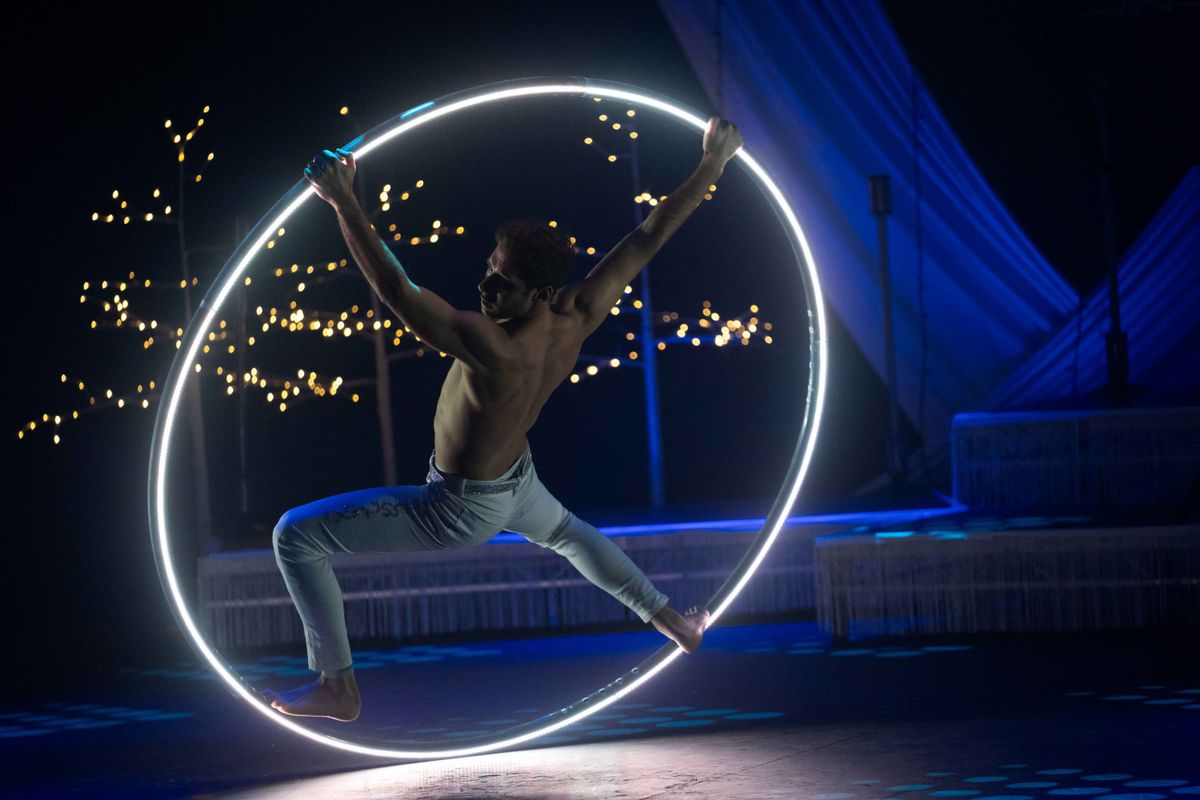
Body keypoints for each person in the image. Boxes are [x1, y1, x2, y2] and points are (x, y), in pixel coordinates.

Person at [263, 115, 745, 722]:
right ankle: (676, 623)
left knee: (295, 535)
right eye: (490, 267)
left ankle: (337, 685)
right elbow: (648, 236)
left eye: (504, 282)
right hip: (517, 480)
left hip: (459, 505)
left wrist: (343, 202)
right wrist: (711, 164)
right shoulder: (577, 314)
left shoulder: (492, 345)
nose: (486, 286)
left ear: (538, 294)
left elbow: (397, 290)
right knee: (569, 534)